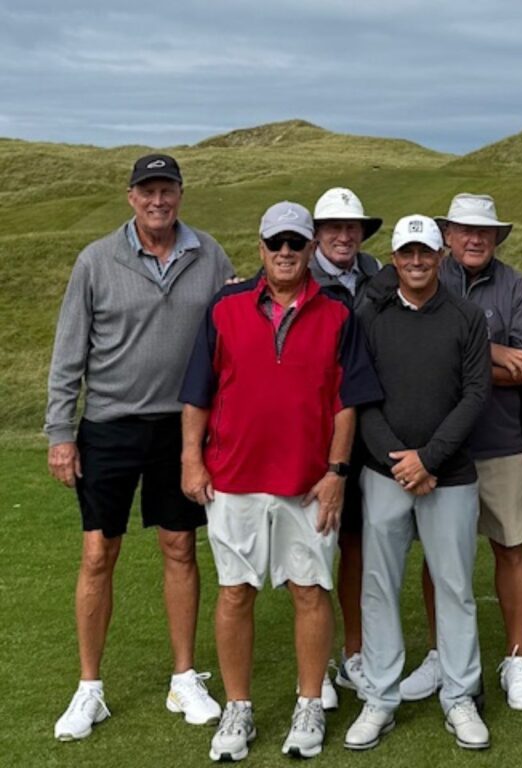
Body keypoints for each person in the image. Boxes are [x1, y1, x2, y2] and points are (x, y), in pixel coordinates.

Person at [178, 201, 382, 760]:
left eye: (297, 243)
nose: (286, 253)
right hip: (234, 478)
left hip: (307, 482)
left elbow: (347, 403)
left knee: (310, 591)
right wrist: (190, 460)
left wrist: (338, 471)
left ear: (311, 248)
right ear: (261, 248)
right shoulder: (224, 308)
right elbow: (199, 391)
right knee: (234, 591)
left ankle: (310, 702)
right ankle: (238, 709)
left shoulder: (338, 312)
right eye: (277, 244)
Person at [46, 153, 233, 741]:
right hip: (109, 424)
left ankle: (184, 677)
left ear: (180, 194)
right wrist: (60, 433)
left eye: (167, 190)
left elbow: (232, 337)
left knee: (180, 547)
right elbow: (68, 352)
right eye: (147, 191)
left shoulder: (209, 255)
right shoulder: (97, 261)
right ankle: (89, 689)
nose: (158, 201)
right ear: (131, 197)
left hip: (182, 427)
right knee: (100, 552)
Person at [344, 215, 491, 751]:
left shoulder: (467, 316)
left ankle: (459, 696)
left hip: (448, 475)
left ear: (440, 255)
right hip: (385, 475)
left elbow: (475, 394)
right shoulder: (371, 315)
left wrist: (428, 459)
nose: (415, 261)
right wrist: (398, 461)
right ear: (395, 257)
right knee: (380, 587)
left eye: (425, 252)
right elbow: (362, 395)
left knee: (454, 587)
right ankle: (380, 699)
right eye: (406, 253)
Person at [400, 193, 522, 711]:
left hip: (502, 441)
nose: (474, 239)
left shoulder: (518, 288)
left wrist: (465, 359)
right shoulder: (424, 277)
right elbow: (416, 350)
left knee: (509, 547)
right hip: (440, 447)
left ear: (496, 238)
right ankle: (443, 654)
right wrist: (493, 353)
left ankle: (516, 656)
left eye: (484, 232)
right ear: (448, 235)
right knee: (439, 556)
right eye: (464, 231)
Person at [309, 186, 384, 703]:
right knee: (313, 547)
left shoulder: (378, 274)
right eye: (333, 227)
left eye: (351, 227)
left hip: (368, 431)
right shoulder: (296, 274)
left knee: (356, 544)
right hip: (312, 431)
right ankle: (314, 666)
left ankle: (352, 656)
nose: (343, 236)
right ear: (317, 233)